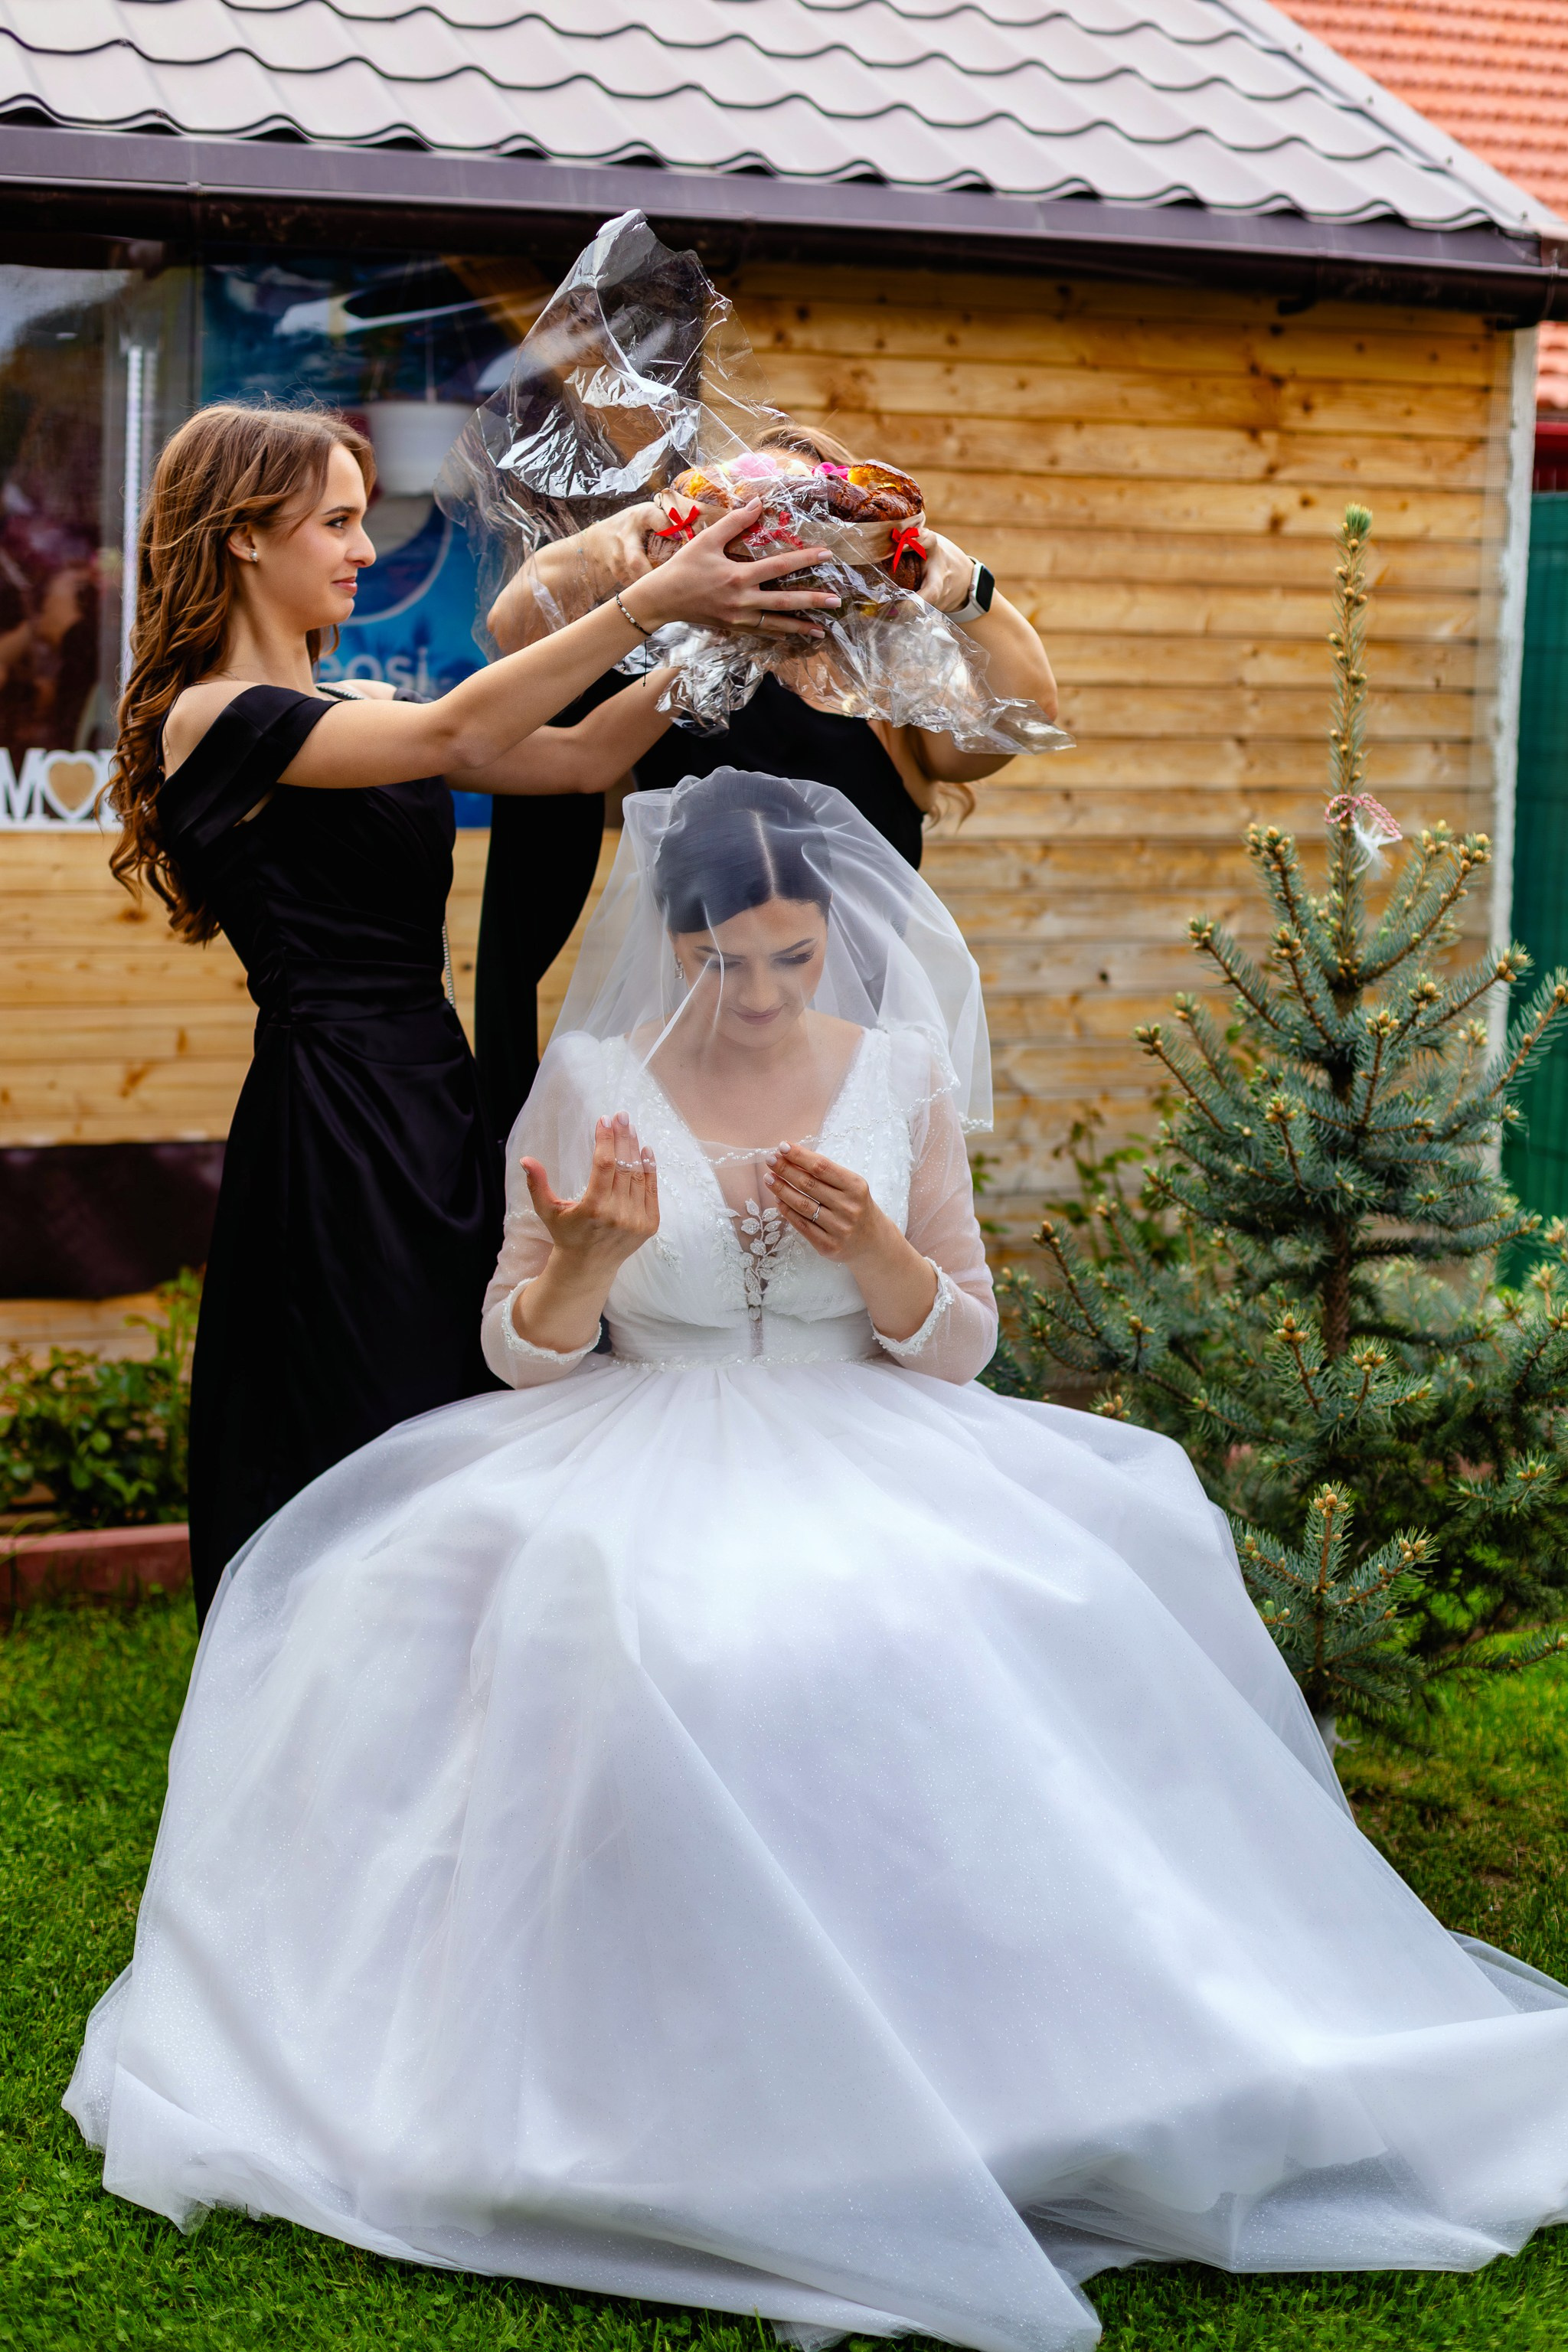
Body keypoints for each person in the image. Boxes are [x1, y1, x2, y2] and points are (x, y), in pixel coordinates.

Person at [70, 769, 1568, 2352]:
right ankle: (665, 2076)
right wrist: (587, 1262)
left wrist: (878, 1255)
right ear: (678, 941)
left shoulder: (899, 1072)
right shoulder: (590, 1078)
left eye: (793, 959)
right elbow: (520, 1354)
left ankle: (1004, 2054)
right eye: (730, 964)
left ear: (832, 938)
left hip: (873, 1438)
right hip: (633, 1441)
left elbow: (963, 1343)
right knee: (664, 1637)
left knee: (979, 1607)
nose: (764, 996)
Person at [109, 403, 839, 1621]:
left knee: (465, 1392)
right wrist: (656, 595)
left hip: (438, 1093)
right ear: (243, 535)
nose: (361, 549)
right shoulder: (213, 718)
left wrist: (732, 628)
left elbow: (576, 758)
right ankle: (322, 1665)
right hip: (335, 1119)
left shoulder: (345, 702)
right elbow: (461, 726)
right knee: (361, 1394)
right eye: (337, 522)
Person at [474, 421, 1058, 1135]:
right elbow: (517, 629)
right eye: (753, 508)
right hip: (688, 1079)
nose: (779, 530)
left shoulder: (884, 706)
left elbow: (1021, 723)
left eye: (806, 510)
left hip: (853, 1082)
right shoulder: (679, 681)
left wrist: (969, 586)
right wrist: (635, 531)